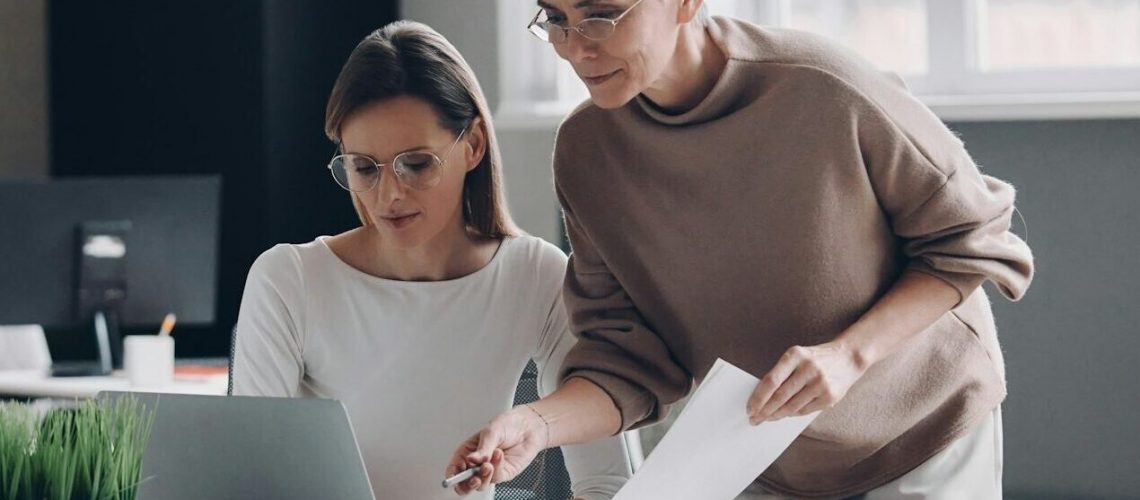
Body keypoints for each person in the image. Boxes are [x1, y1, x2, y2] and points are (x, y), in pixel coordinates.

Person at [448, 1, 1034, 498]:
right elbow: (625, 357)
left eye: (602, 15)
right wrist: (536, 423)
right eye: (554, 17)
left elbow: (970, 240)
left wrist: (849, 355)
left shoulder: (824, 86)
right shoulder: (587, 152)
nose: (575, 48)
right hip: (760, 457)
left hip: (921, 431)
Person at [231, 20, 632, 500]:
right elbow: (251, 483)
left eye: (416, 164)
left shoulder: (536, 275)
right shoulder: (288, 280)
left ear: (474, 146)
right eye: (364, 169)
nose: (389, 195)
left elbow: (607, 483)